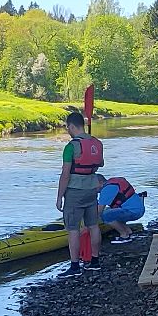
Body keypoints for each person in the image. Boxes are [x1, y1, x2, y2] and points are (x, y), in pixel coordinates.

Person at [54, 109, 103, 274]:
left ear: (72, 127)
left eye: (67, 127)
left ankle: (75, 266)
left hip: (75, 191)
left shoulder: (70, 147)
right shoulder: (97, 143)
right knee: (93, 225)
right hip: (92, 189)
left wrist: (59, 197)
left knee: (73, 229)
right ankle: (95, 261)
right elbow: (99, 164)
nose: (67, 130)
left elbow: (65, 174)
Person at [97, 174, 147, 241]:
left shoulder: (107, 190)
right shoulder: (113, 183)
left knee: (106, 215)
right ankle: (128, 232)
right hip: (138, 208)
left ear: (100, 182)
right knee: (111, 211)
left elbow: (99, 211)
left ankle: (124, 236)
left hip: (133, 212)